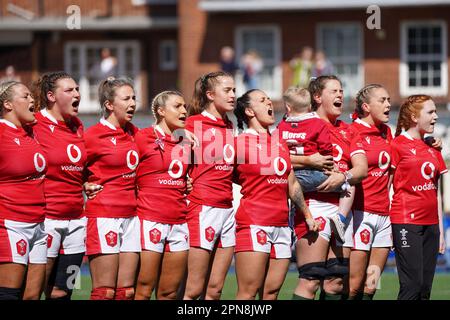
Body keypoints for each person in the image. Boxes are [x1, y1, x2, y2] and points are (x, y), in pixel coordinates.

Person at [233, 89, 319, 300]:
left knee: (271, 293)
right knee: (248, 293)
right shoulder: (239, 143)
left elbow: (291, 181)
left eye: (269, 99)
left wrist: (307, 214)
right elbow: (223, 175)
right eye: (262, 100)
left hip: (282, 226)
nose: (269, 103)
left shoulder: (279, 141)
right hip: (254, 222)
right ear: (249, 111)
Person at [291, 75, 368, 300]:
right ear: (317, 97)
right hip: (313, 205)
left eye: (341, 91)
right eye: (333, 91)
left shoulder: (349, 130)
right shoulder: (301, 124)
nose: (340, 95)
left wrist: (342, 177)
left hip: (343, 211)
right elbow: (280, 159)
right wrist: (309, 162)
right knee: (311, 280)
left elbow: (361, 169)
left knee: (336, 281)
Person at [32, 71, 91, 300]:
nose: (77, 94)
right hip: (47, 220)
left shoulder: (77, 125)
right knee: (35, 290)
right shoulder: (34, 124)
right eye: (69, 90)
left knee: (64, 290)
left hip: (77, 223)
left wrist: (89, 182)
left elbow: (80, 169)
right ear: (51, 96)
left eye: (77, 89)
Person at [84, 77, 141, 300]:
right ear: (109, 104)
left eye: (134, 98)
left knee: (126, 292)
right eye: (126, 98)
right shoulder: (92, 135)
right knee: (104, 292)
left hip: (132, 217)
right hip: (104, 216)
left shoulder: (135, 133)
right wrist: (84, 183)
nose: (133, 103)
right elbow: (69, 168)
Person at [183, 71, 236, 300]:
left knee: (214, 290)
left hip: (227, 208)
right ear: (210, 94)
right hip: (202, 207)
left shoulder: (230, 126)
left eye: (234, 90)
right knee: (193, 290)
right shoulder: (191, 124)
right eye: (227, 90)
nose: (233, 95)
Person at [134, 91, 191, 300]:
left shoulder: (185, 142)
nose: (184, 111)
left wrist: (188, 182)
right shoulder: (143, 136)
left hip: (179, 222)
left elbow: (187, 177)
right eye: (177, 106)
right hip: (150, 220)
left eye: (185, 106)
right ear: (161, 111)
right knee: (143, 289)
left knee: (169, 292)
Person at [390, 95, 447, 300]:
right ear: (414, 117)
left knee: (424, 289)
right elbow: (388, 187)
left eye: (435, 112)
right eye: (430, 112)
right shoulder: (396, 145)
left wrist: (440, 231)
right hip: (406, 222)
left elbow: (436, 192)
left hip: (431, 225)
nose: (436, 116)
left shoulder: (434, 148)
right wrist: (388, 226)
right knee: (411, 286)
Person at [277, 86, 352, 241]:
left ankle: (289, 221)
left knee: (286, 192)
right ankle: (341, 219)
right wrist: (333, 168)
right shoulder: (318, 124)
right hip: (313, 174)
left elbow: (277, 152)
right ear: (310, 106)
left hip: (292, 178)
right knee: (348, 184)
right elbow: (326, 150)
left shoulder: (281, 127)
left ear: (288, 107)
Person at [0, 81, 48, 300]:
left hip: (38, 224)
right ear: (8, 104)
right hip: (10, 225)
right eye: (25, 96)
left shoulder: (32, 132)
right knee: (10, 295)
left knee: (32, 296)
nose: (32, 100)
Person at [347, 84, 393, 300]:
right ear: (366, 106)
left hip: (384, 215)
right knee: (353, 285)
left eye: (389, 100)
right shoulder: (351, 131)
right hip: (360, 214)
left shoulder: (387, 132)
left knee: (372, 284)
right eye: (382, 100)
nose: (388, 104)